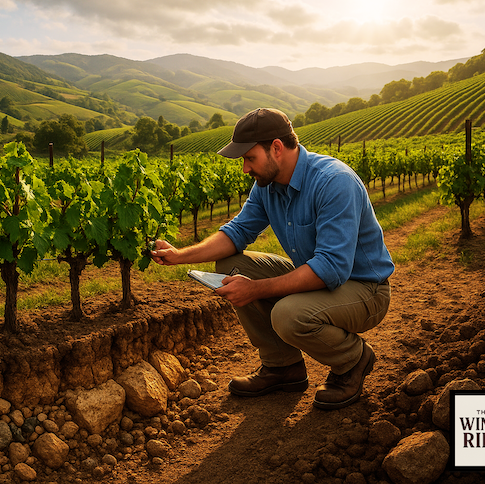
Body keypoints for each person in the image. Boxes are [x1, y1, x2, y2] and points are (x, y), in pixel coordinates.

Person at [151, 108, 393, 410]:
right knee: (230, 266)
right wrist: (178, 256)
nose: (244, 169)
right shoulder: (268, 185)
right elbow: (236, 232)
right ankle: (283, 367)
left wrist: (254, 289)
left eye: (249, 158)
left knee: (288, 315)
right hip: (318, 276)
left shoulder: (334, 182)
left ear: (276, 148)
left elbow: (331, 268)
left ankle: (353, 359)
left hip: (364, 290)